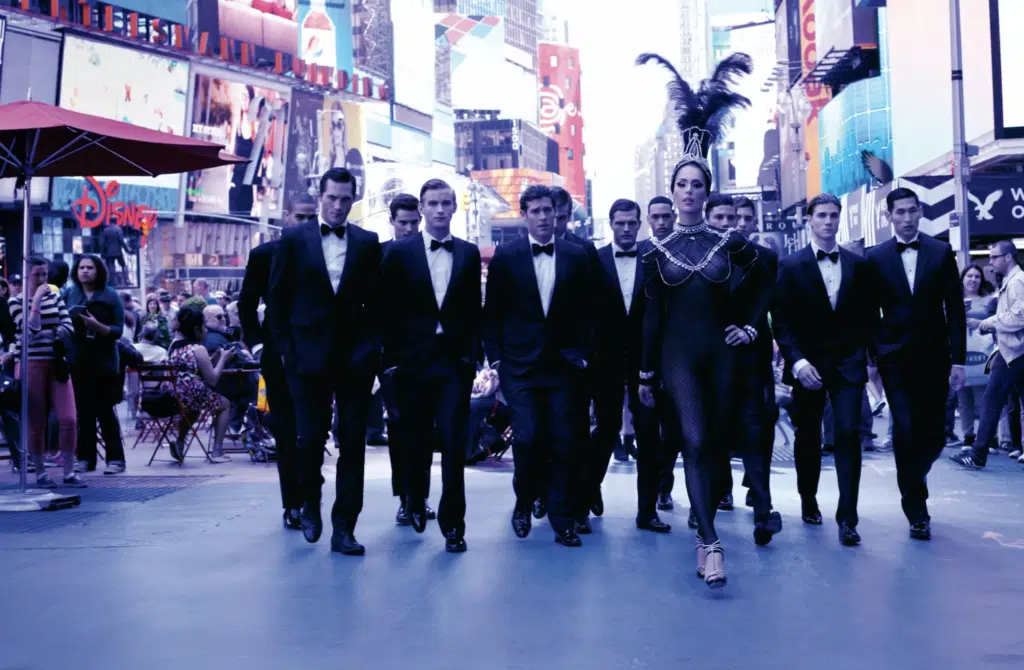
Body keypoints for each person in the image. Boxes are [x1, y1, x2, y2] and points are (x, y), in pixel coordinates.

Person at [635, 47, 758, 588]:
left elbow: (771, 274)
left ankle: (706, 519)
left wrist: (751, 323)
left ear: (708, 193)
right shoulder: (654, 253)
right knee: (695, 439)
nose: (689, 193)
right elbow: (649, 320)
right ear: (673, 190)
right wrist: (643, 373)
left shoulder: (730, 244)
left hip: (722, 354)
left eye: (697, 186)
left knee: (716, 441)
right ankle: (709, 541)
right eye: (682, 185)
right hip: (676, 357)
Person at [268, 167, 381, 556]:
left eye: (345, 199)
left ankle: (345, 527)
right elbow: (277, 301)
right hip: (306, 357)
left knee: (353, 441)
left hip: (354, 360)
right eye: (331, 198)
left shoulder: (368, 243)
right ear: (320, 197)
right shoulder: (293, 239)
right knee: (309, 439)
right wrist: (287, 349)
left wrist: (372, 348)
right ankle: (309, 506)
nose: (337, 206)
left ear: (354, 199)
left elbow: (376, 304)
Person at [483, 184, 594, 547]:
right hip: (520, 366)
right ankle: (523, 501)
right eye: (536, 211)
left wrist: (582, 351)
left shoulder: (576, 256)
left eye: (549, 210)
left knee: (562, 442)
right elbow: (493, 313)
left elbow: (589, 312)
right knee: (528, 438)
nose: (544, 217)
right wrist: (497, 360)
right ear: (525, 215)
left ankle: (562, 521)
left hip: (562, 366)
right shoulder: (507, 256)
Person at [380, 179, 482, 553]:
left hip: (454, 363)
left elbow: (474, 309)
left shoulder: (469, 254)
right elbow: (385, 311)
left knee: (455, 444)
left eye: (446, 203)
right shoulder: (398, 253)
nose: (440, 210)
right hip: (411, 363)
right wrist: (389, 362)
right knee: (414, 439)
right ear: (421, 209)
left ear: (456, 207)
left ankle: (454, 524)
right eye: (433, 204)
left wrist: (474, 356)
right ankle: (413, 497)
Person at [773, 193, 875, 547]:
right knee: (808, 436)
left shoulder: (858, 265)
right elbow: (781, 322)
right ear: (810, 220)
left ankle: (848, 517)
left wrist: (867, 360)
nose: (828, 221)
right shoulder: (789, 266)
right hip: (809, 366)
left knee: (848, 434)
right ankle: (808, 499)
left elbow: (866, 317)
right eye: (822, 216)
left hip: (848, 365)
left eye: (834, 215)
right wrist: (798, 362)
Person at [866, 187, 966, 540]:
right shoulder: (874, 257)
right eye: (900, 212)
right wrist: (873, 355)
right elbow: (867, 312)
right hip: (894, 355)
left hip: (935, 355)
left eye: (912, 211)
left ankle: (914, 473)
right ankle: (916, 509)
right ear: (889, 216)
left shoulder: (940, 251)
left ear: (920, 212)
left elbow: (955, 309)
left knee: (935, 433)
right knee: (905, 428)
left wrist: (959, 360)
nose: (907, 218)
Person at [590, 199, 671, 533]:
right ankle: (586, 496)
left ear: (640, 224)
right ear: (610, 223)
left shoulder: (655, 259)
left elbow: (662, 313)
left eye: (631, 223)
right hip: (603, 361)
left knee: (649, 437)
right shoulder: (593, 260)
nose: (626, 228)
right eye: (620, 222)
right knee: (604, 432)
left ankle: (647, 511)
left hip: (646, 363)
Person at [239, 193, 315, 531]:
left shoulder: (325, 255)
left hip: (318, 354)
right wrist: (256, 346)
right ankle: (293, 505)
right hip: (278, 354)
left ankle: (310, 499)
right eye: (300, 217)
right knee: (286, 431)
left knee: (312, 433)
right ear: (286, 217)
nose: (306, 223)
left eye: (311, 217)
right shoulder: (264, 255)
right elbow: (246, 304)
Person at [378, 193, 433, 525]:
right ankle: (405, 498)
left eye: (415, 222)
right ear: (392, 222)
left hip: (428, 356)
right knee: (399, 429)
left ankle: (420, 496)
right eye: (404, 223)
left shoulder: (433, 254)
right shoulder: (380, 255)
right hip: (392, 359)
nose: (410, 228)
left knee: (425, 430)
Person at [9, 258, 83, 488]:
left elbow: (68, 327)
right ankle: (40, 472)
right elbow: (30, 329)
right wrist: (37, 301)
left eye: (44, 275)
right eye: (37, 275)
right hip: (31, 364)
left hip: (57, 363)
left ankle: (69, 472)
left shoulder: (56, 297)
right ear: (26, 276)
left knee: (69, 418)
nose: (42, 280)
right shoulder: (15, 302)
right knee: (36, 421)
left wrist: (49, 332)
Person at [951, 241, 1024, 469]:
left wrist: (987, 323)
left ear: (1008, 257)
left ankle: (977, 453)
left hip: (1013, 350)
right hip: (1013, 349)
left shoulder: (1018, 282)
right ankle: (978, 452)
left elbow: (1019, 317)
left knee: (991, 399)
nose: (990, 263)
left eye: (994, 257)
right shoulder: (1013, 281)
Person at [63, 254, 127, 475]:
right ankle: (85, 459)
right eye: (82, 267)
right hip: (78, 360)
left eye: (90, 267)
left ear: (98, 270)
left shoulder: (110, 295)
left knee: (106, 411)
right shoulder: (70, 294)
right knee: (84, 413)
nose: (85, 271)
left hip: (105, 362)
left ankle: (116, 460)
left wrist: (98, 326)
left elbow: (119, 330)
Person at [168, 305, 234, 462]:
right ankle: (217, 451)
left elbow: (191, 367)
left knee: (195, 405)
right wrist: (223, 359)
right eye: (204, 327)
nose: (206, 330)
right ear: (197, 329)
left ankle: (180, 442)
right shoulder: (199, 349)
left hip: (174, 397)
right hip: (191, 395)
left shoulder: (174, 347)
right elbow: (212, 380)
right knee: (224, 404)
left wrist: (215, 358)